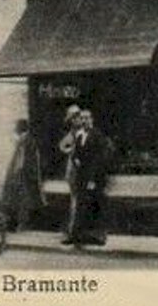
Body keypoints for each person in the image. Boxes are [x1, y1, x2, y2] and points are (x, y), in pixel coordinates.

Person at [70, 110, 113, 246]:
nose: (84, 121)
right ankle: (78, 236)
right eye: (82, 118)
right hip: (82, 177)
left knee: (95, 206)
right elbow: (75, 153)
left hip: (94, 177)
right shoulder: (79, 136)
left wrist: (93, 179)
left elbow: (100, 159)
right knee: (81, 205)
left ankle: (98, 237)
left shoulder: (97, 135)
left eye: (87, 118)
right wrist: (75, 159)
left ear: (92, 120)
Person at [1, 118, 44, 232]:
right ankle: (15, 224)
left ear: (20, 128)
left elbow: (23, 160)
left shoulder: (26, 140)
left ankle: (21, 225)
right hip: (20, 174)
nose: (14, 129)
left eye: (16, 126)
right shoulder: (23, 140)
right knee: (17, 200)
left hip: (23, 175)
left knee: (21, 201)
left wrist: (17, 172)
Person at [57, 105, 84, 244]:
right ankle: (72, 232)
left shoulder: (83, 131)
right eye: (73, 118)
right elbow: (62, 146)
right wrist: (71, 150)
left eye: (77, 117)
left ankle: (76, 231)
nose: (76, 120)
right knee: (76, 200)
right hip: (74, 169)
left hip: (81, 168)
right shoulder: (73, 133)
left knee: (78, 200)